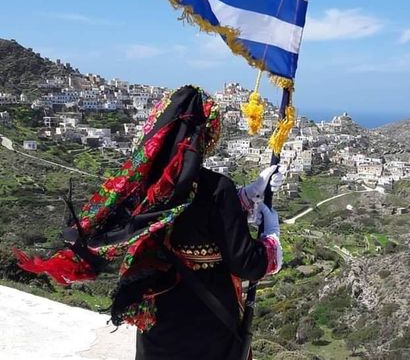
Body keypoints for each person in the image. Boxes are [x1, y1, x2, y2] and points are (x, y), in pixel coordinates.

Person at [15, 85, 282, 360]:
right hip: (210, 331)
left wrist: (246, 198)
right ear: (206, 134)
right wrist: (272, 238)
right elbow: (247, 264)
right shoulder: (216, 188)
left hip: (159, 329)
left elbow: (189, 213)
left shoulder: (141, 191)